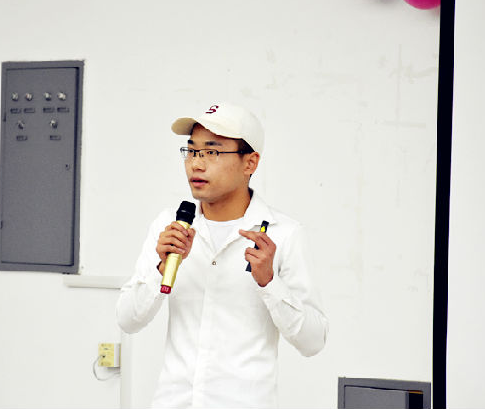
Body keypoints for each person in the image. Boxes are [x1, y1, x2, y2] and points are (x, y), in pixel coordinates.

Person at [116, 103, 328, 408]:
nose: (196, 164)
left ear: (250, 163)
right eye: (191, 151)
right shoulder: (170, 226)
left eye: (212, 152)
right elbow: (127, 320)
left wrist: (269, 282)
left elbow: (313, 341)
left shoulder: (283, 234)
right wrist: (161, 268)